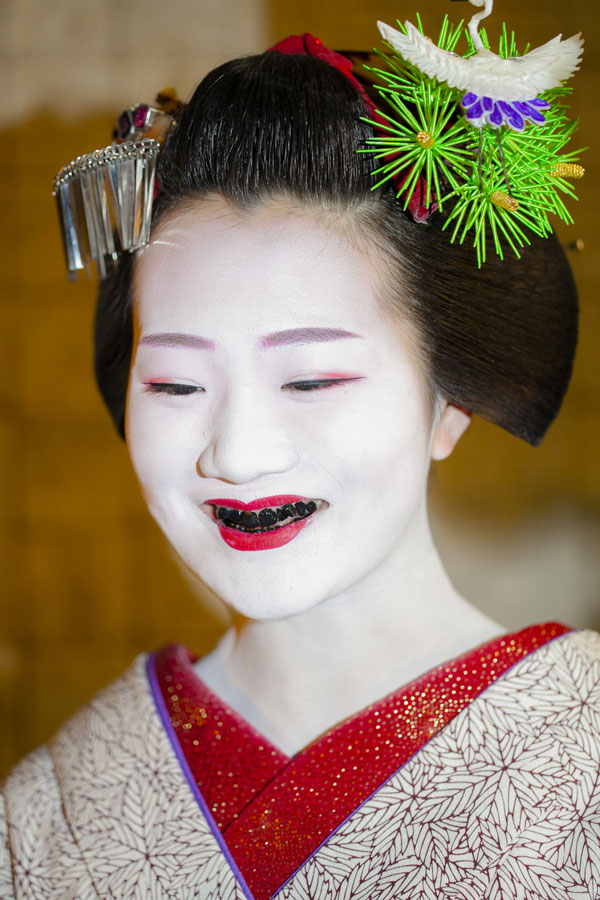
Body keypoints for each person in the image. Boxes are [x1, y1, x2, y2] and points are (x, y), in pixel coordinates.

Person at [2, 20, 599, 900]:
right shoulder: (49, 817)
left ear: (452, 399)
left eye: (312, 379)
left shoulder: (580, 748)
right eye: (173, 383)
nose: (237, 456)